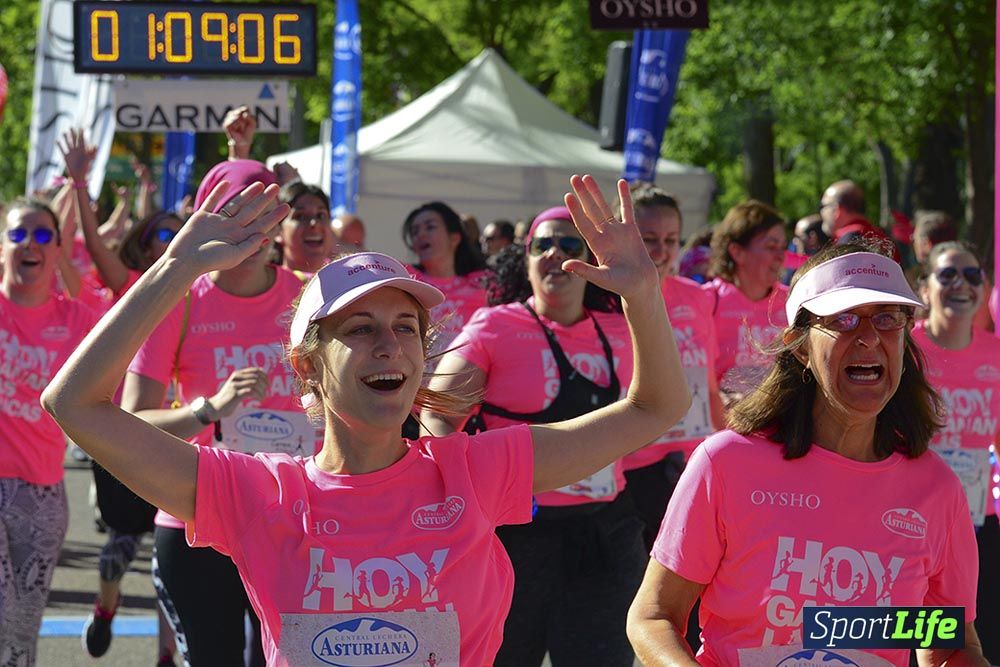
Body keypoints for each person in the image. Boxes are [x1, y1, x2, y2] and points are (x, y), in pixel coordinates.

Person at [42, 175, 691, 667]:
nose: (389, 345)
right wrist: (174, 269)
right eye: (360, 328)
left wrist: (642, 294)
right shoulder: (257, 492)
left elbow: (654, 407)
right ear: (307, 366)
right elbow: (74, 403)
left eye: (405, 327)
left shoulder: (476, 469)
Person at [628, 242, 987, 667]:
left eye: (888, 318)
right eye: (843, 319)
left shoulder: (936, 490)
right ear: (799, 346)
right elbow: (654, 616)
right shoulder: (727, 463)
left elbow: (949, 643)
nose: (869, 336)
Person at [424, 202, 668, 666]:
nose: (555, 254)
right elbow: (436, 416)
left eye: (569, 244)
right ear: (526, 258)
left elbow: (665, 403)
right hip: (519, 535)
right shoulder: (495, 326)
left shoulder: (620, 329)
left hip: (605, 531)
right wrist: (462, 486)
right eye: (543, 245)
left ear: (589, 261)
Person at [122, 160, 315, 666]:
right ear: (209, 219)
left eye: (264, 213)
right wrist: (209, 408)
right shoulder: (179, 301)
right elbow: (131, 420)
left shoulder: (309, 295)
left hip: (295, 515)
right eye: (236, 213)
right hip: (200, 515)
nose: (251, 228)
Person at [60, 129, 180, 663]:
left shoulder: (202, 291)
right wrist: (80, 183)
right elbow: (92, 245)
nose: (172, 242)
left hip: (185, 434)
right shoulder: (131, 282)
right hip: (126, 427)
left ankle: (166, 653)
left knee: (176, 548)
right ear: (145, 245)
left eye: (179, 234)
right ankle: (105, 608)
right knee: (123, 544)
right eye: (163, 234)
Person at [0, 198, 100, 666]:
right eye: (18, 234)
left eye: (43, 235)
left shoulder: (77, 320)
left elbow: (123, 313)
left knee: (22, 626)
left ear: (60, 250)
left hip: (42, 493)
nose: (30, 244)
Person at [619, 183, 724, 550]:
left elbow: (709, 384)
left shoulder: (697, 297)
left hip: (694, 459)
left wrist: (728, 444)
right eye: (649, 239)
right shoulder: (606, 301)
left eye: (671, 240)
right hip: (631, 466)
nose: (661, 251)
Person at [912, 241, 1000, 663]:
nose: (960, 284)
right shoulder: (905, 349)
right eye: (947, 274)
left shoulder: (995, 355)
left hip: (978, 519)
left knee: (974, 634)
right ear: (925, 289)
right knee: (914, 631)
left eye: (971, 275)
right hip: (912, 517)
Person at [704, 200, 789, 404]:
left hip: (778, 416)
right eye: (771, 246)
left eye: (783, 247)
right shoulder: (708, 300)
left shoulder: (792, 301)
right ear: (737, 252)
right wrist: (719, 398)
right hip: (725, 418)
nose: (781, 256)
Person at [402, 201, 488, 354]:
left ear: (454, 238)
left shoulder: (483, 284)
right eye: (415, 231)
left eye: (430, 227)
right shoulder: (405, 279)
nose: (420, 235)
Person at [819, 180, 896, 258]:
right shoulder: (883, 237)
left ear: (837, 209)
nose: (821, 212)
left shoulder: (849, 240)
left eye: (823, 206)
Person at [276, 182, 336, 278]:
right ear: (277, 231)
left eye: (320, 215)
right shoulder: (261, 283)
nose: (314, 223)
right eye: (301, 217)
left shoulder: (349, 277)